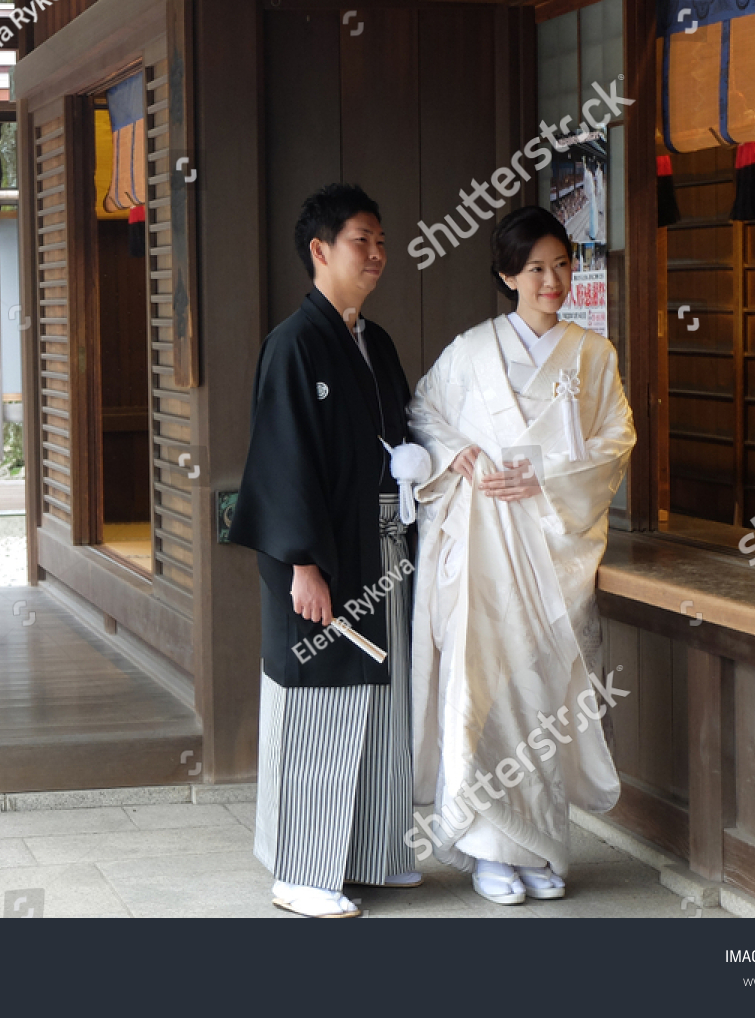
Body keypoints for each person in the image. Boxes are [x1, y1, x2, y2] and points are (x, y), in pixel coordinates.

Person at [405, 205, 635, 905]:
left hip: (550, 549)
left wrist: (545, 478)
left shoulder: (594, 357)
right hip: (480, 549)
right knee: (481, 689)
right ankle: (485, 849)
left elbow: (614, 443)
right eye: (536, 268)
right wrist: (461, 455)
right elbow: (425, 413)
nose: (553, 280)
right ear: (508, 275)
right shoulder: (470, 350)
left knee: (543, 692)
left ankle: (538, 842)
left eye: (562, 265)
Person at [228, 183, 420, 918]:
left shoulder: (374, 340)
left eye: (380, 241)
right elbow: (281, 461)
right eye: (361, 241)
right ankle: (301, 869)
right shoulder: (293, 343)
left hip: (382, 540)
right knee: (320, 698)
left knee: (381, 696)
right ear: (320, 251)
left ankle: (374, 851)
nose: (376, 254)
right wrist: (302, 564)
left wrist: (420, 465)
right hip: (323, 553)